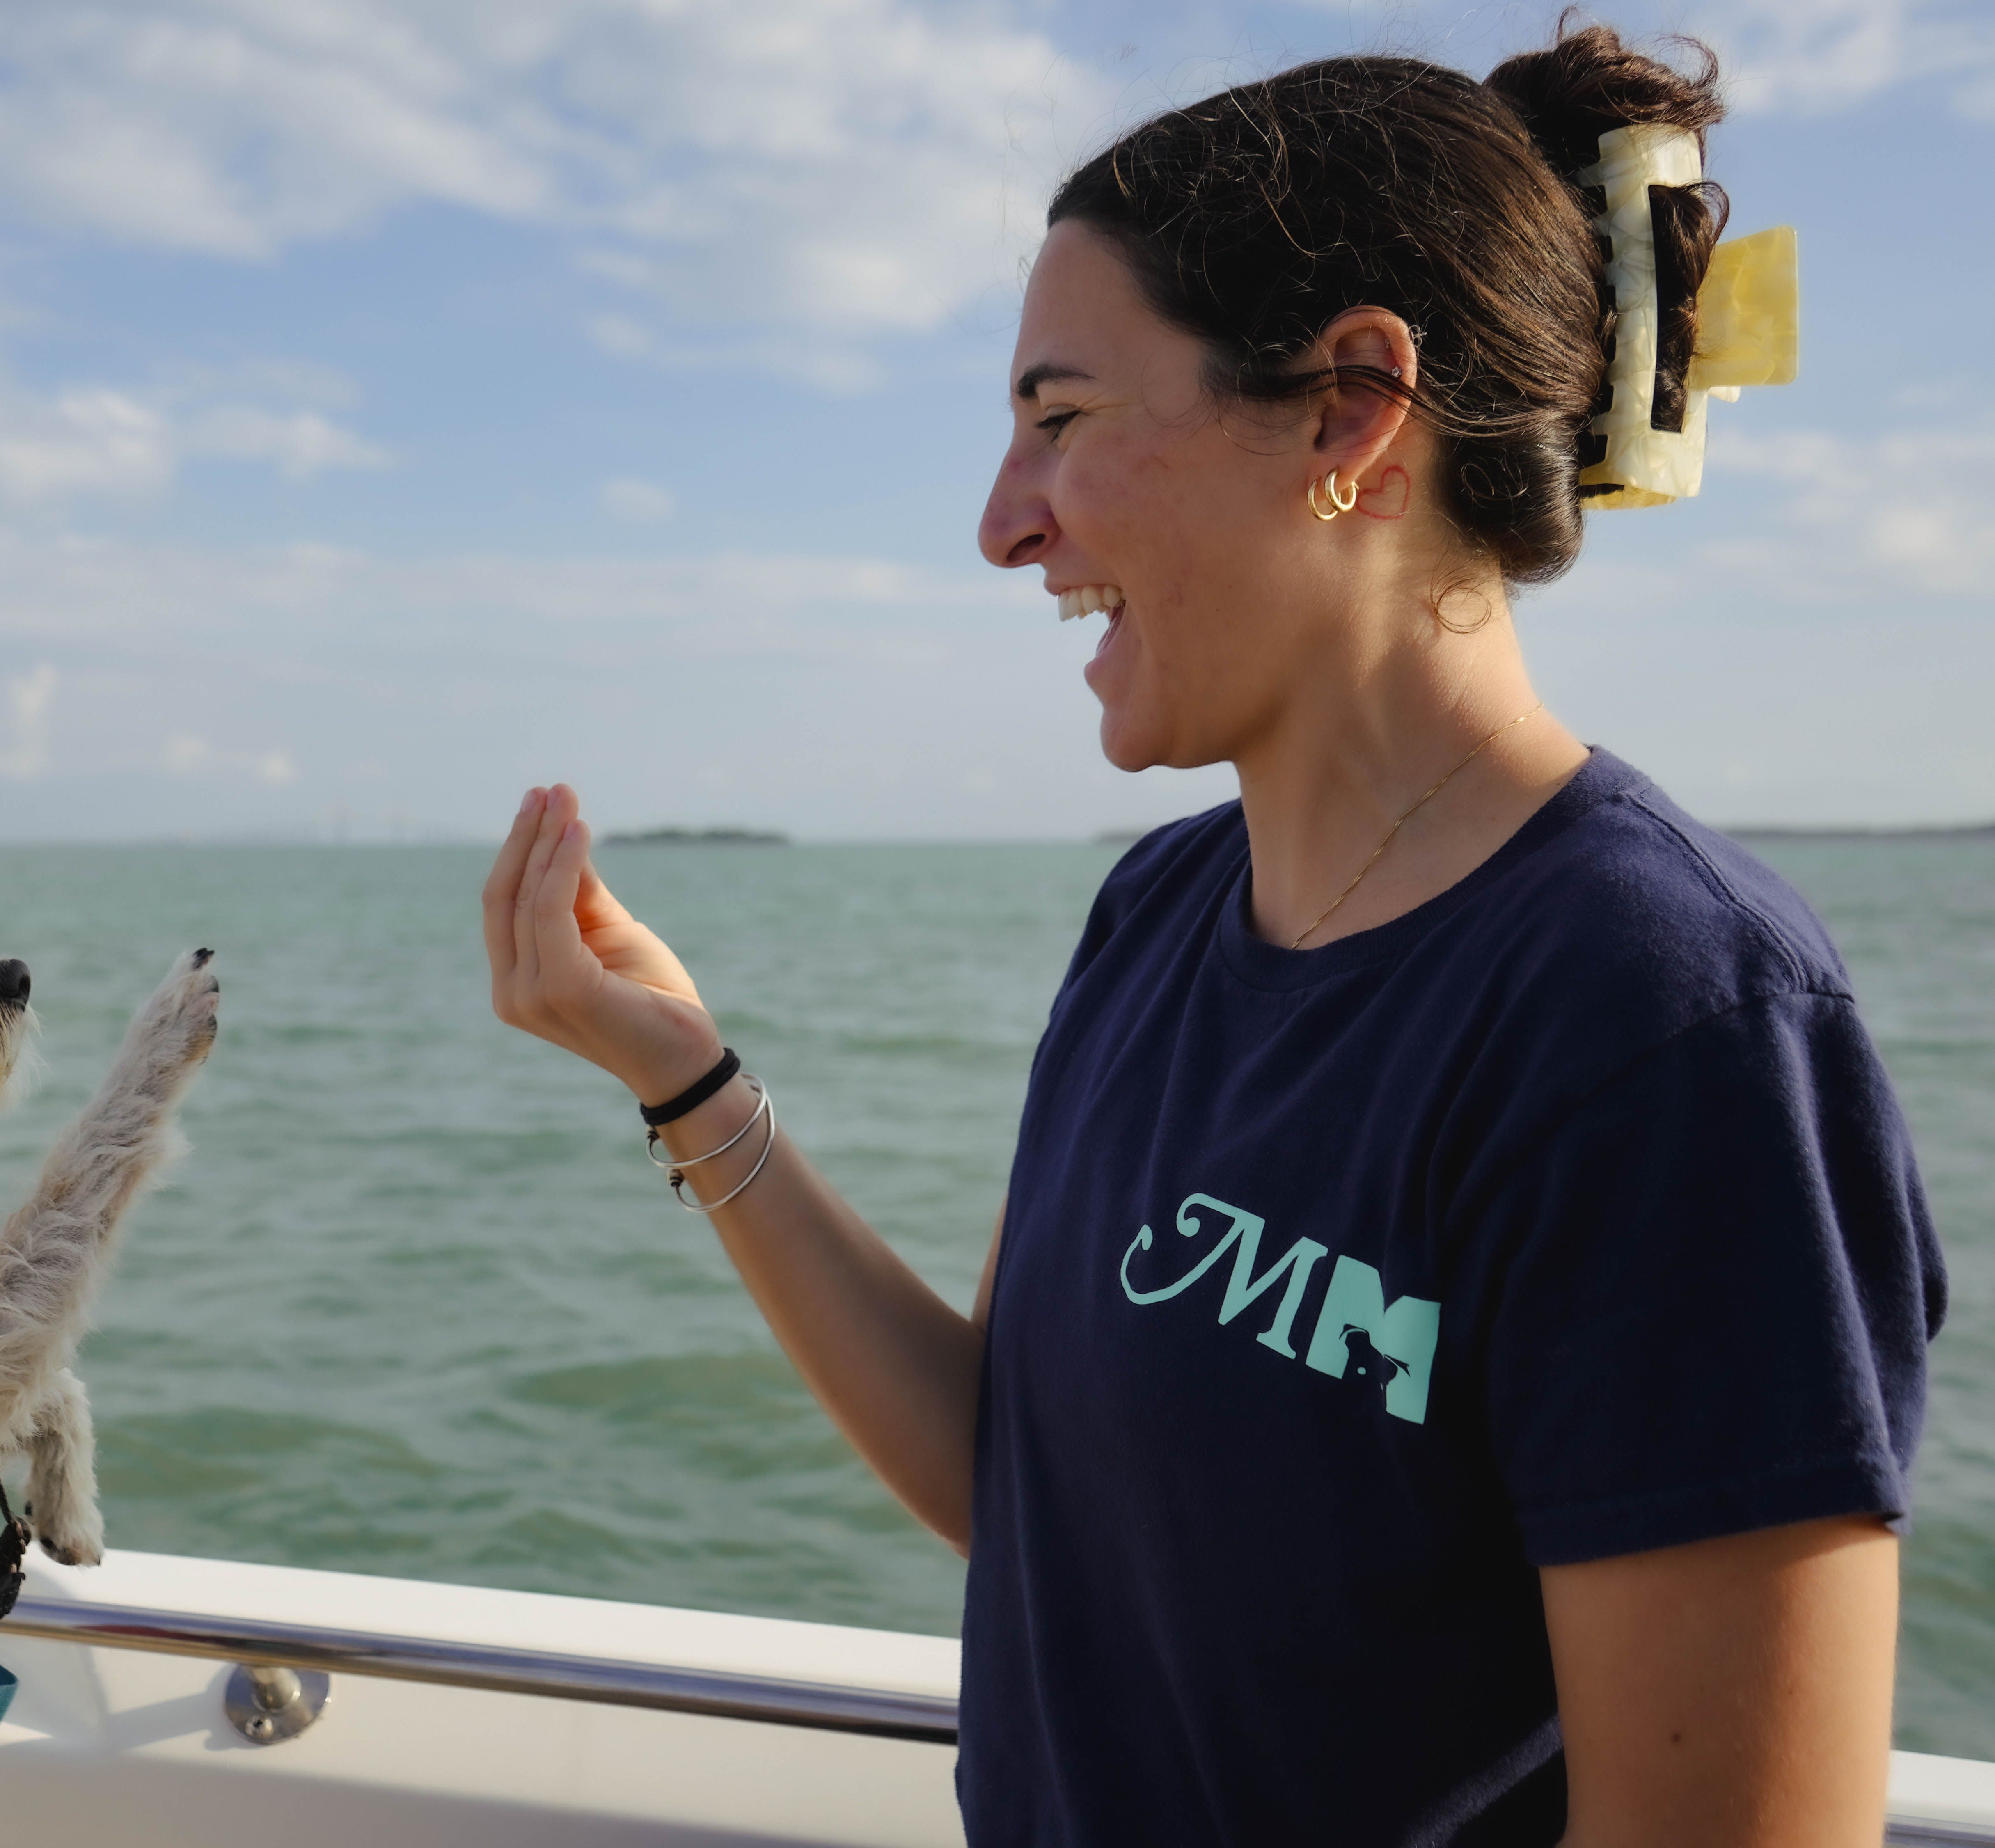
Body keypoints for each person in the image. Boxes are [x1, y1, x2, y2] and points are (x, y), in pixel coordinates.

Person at [480, 23, 1944, 1848]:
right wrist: (687, 1079)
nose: (1004, 524)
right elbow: (1012, 1477)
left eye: (1062, 418)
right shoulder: (1158, 911)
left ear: (1348, 411)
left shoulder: (1664, 1022)